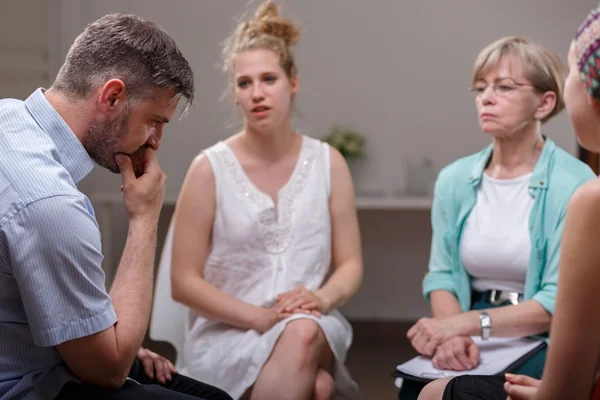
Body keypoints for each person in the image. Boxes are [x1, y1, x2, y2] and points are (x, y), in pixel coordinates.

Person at [0, 12, 232, 400]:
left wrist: (100, 331)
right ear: (112, 97)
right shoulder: (51, 204)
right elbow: (109, 370)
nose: (156, 141)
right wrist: (145, 218)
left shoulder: (8, 116)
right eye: (154, 121)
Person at [169, 2, 363, 399]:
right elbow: (183, 282)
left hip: (312, 321)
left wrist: (320, 298)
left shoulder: (330, 163)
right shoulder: (208, 169)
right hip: (228, 333)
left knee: (304, 331)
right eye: (244, 83)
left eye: (269, 79)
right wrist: (259, 317)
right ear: (234, 94)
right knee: (320, 388)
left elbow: (351, 265)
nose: (257, 93)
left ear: (293, 83)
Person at [398, 36, 596, 400]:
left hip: (544, 335)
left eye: (504, 87)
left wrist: (461, 325)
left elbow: (557, 301)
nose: (486, 98)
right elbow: (441, 274)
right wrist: (452, 335)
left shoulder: (577, 183)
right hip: (470, 327)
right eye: (480, 88)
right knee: (413, 392)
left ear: (545, 102)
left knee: (451, 393)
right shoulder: (454, 179)